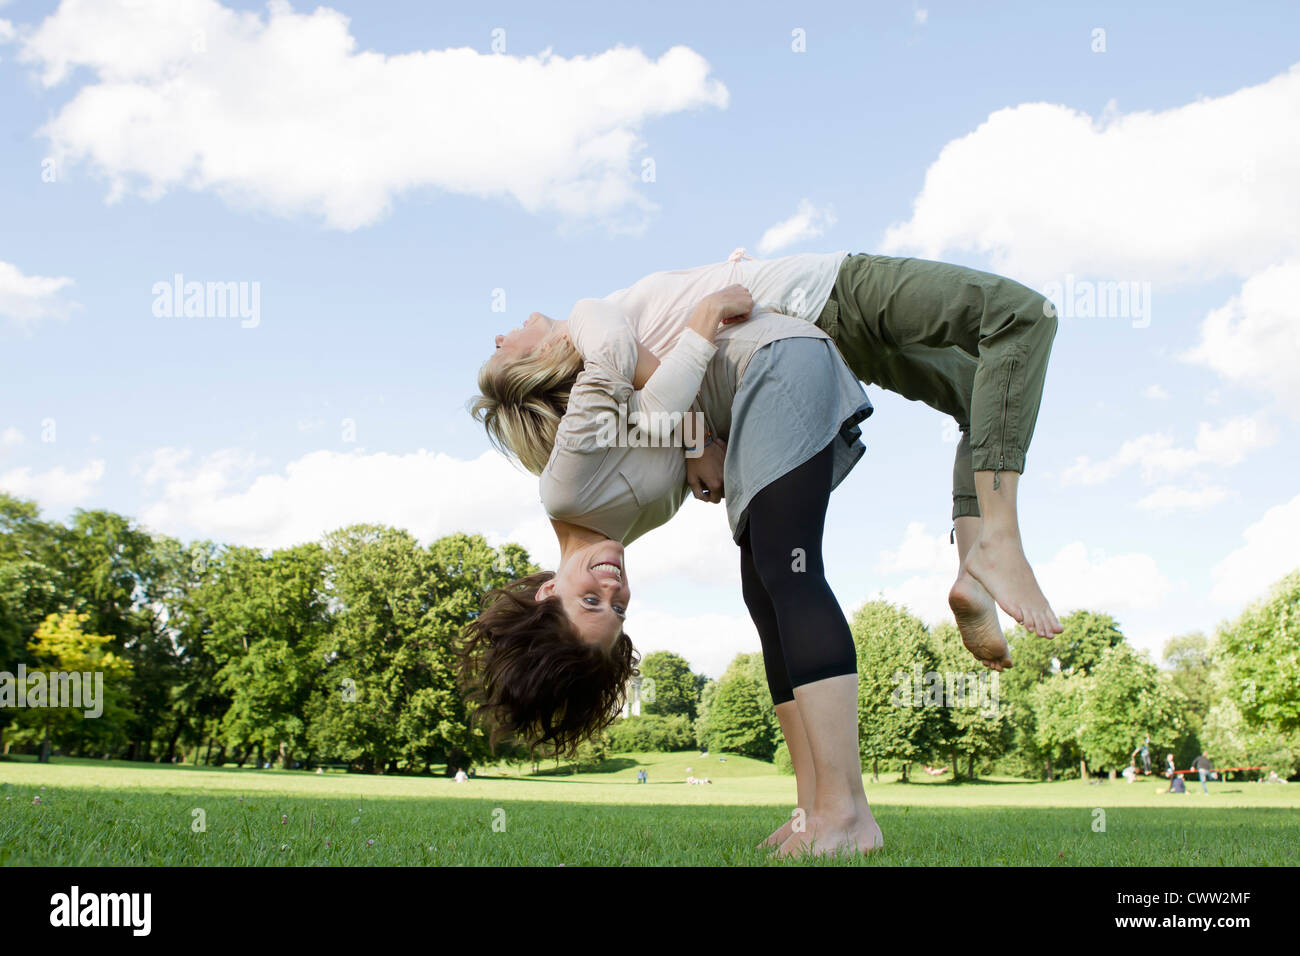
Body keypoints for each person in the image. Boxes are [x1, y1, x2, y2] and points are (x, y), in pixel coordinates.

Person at [473, 248, 1062, 672]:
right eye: (503, 356)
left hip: (803, 331)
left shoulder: (615, 426)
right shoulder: (590, 325)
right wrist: (698, 430)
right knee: (1022, 315)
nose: (500, 338)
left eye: (596, 602)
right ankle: (1000, 540)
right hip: (820, 293)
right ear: (534, 369)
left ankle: (972, 567)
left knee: (981, 399)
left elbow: (659, 406)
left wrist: (727, 278)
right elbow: (628, 356)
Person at [463, 283, 883, 858]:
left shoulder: (563, 488)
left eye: (590, 601)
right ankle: (812, 807)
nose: (613, 590)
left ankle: (846, 812)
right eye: (619, 609)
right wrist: (695, 442)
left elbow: (605, 342)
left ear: (546, 593)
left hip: (775, 365)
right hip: (762, 391)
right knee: (762, 590)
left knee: (788, 571)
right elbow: (645, 421)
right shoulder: (630, 525)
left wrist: (703, 321)